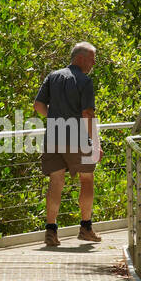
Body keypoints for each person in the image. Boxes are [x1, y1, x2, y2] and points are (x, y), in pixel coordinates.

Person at [32, 42, 103, 247]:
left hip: (54, 135)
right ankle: (86, 228)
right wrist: (96, 144)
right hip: (77, 136)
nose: (93, 63)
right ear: (80, 58)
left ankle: (51, 232)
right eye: (91, 59)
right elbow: (87, 114)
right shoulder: (85, 81)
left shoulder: (52, 76)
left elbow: (38, 105)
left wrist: (56, 118)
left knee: (56, 182)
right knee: (87, 179)